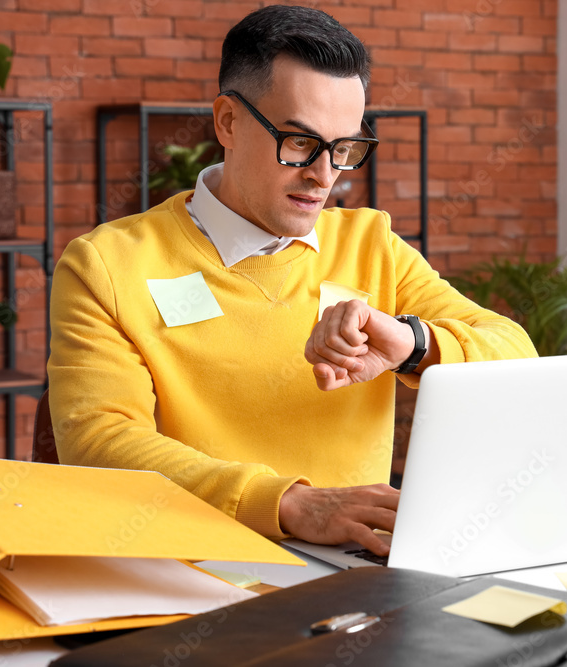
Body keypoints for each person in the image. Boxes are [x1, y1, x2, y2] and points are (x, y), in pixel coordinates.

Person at [47, 5, 537, 556]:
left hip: (355, 568)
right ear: (227, 122)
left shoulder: (372, 245)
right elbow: (100, 443)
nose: (324, 176)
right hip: (192, 567)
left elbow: (516, 353)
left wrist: (411, 343)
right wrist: (289, 505)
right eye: (300, 142)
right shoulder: (106, 264)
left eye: (345, 149)